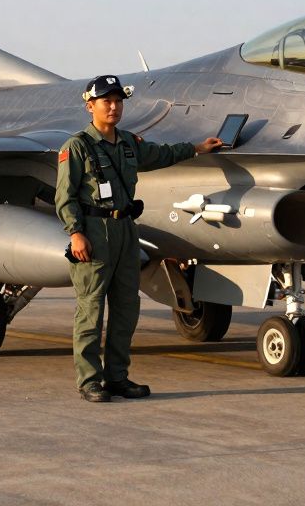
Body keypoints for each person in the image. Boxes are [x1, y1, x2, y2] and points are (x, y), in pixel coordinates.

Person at [56, 75, 222, 402]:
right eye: (107, 101)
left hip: (126, 231)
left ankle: (117, 377)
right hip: (94, 232)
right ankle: (90, 381)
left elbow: (161, 154)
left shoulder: (129, 143)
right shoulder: (76, 147)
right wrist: (76, 233)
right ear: (91, 106)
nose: (114, 107)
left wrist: (198, 149)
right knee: (91, 309)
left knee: (126, 309)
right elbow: (65, 196)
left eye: (118, 101)